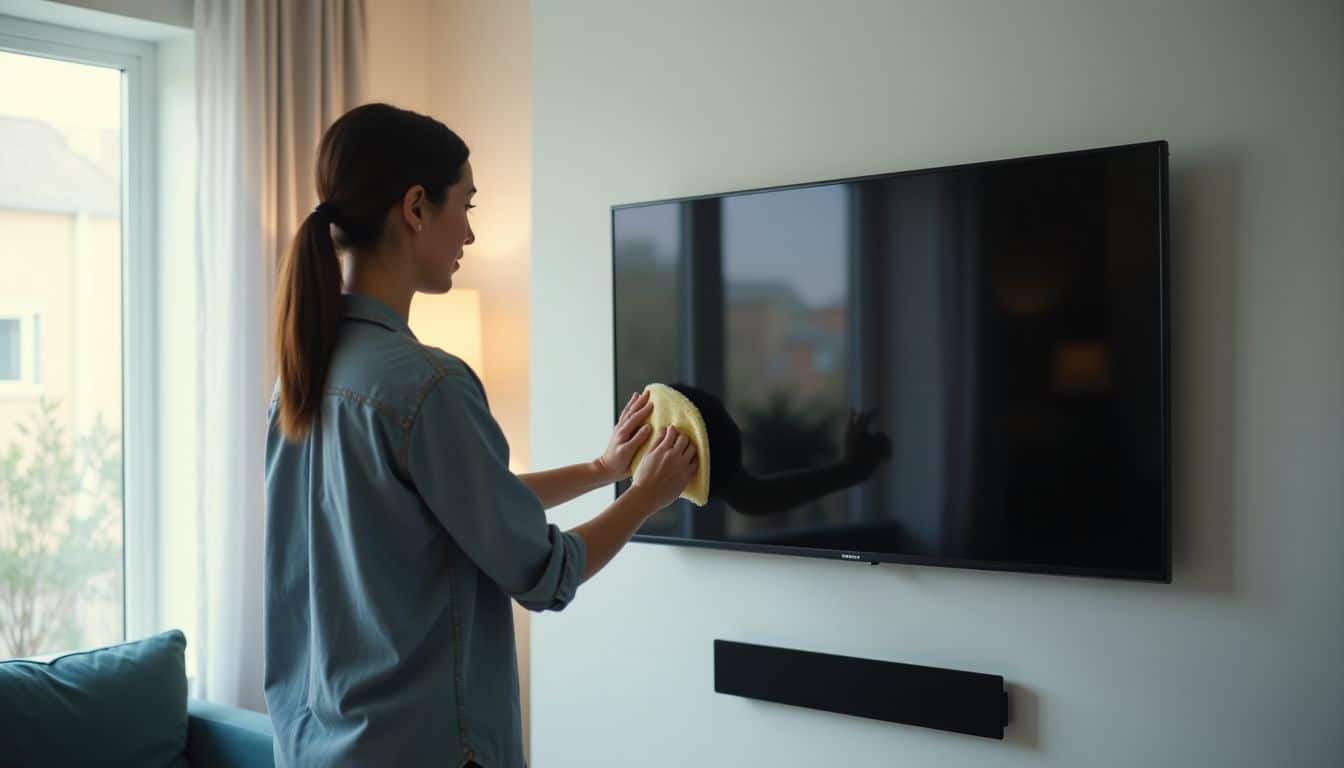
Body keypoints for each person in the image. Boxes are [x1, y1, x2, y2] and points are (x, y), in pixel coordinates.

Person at [264, 103, 696, 768]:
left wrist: (602, 468)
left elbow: (455, 511)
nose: (468, 233)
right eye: (465, 204)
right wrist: (646, 497)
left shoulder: (302, 378)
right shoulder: (426, 385)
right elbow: (545, 574)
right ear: (414, 207)